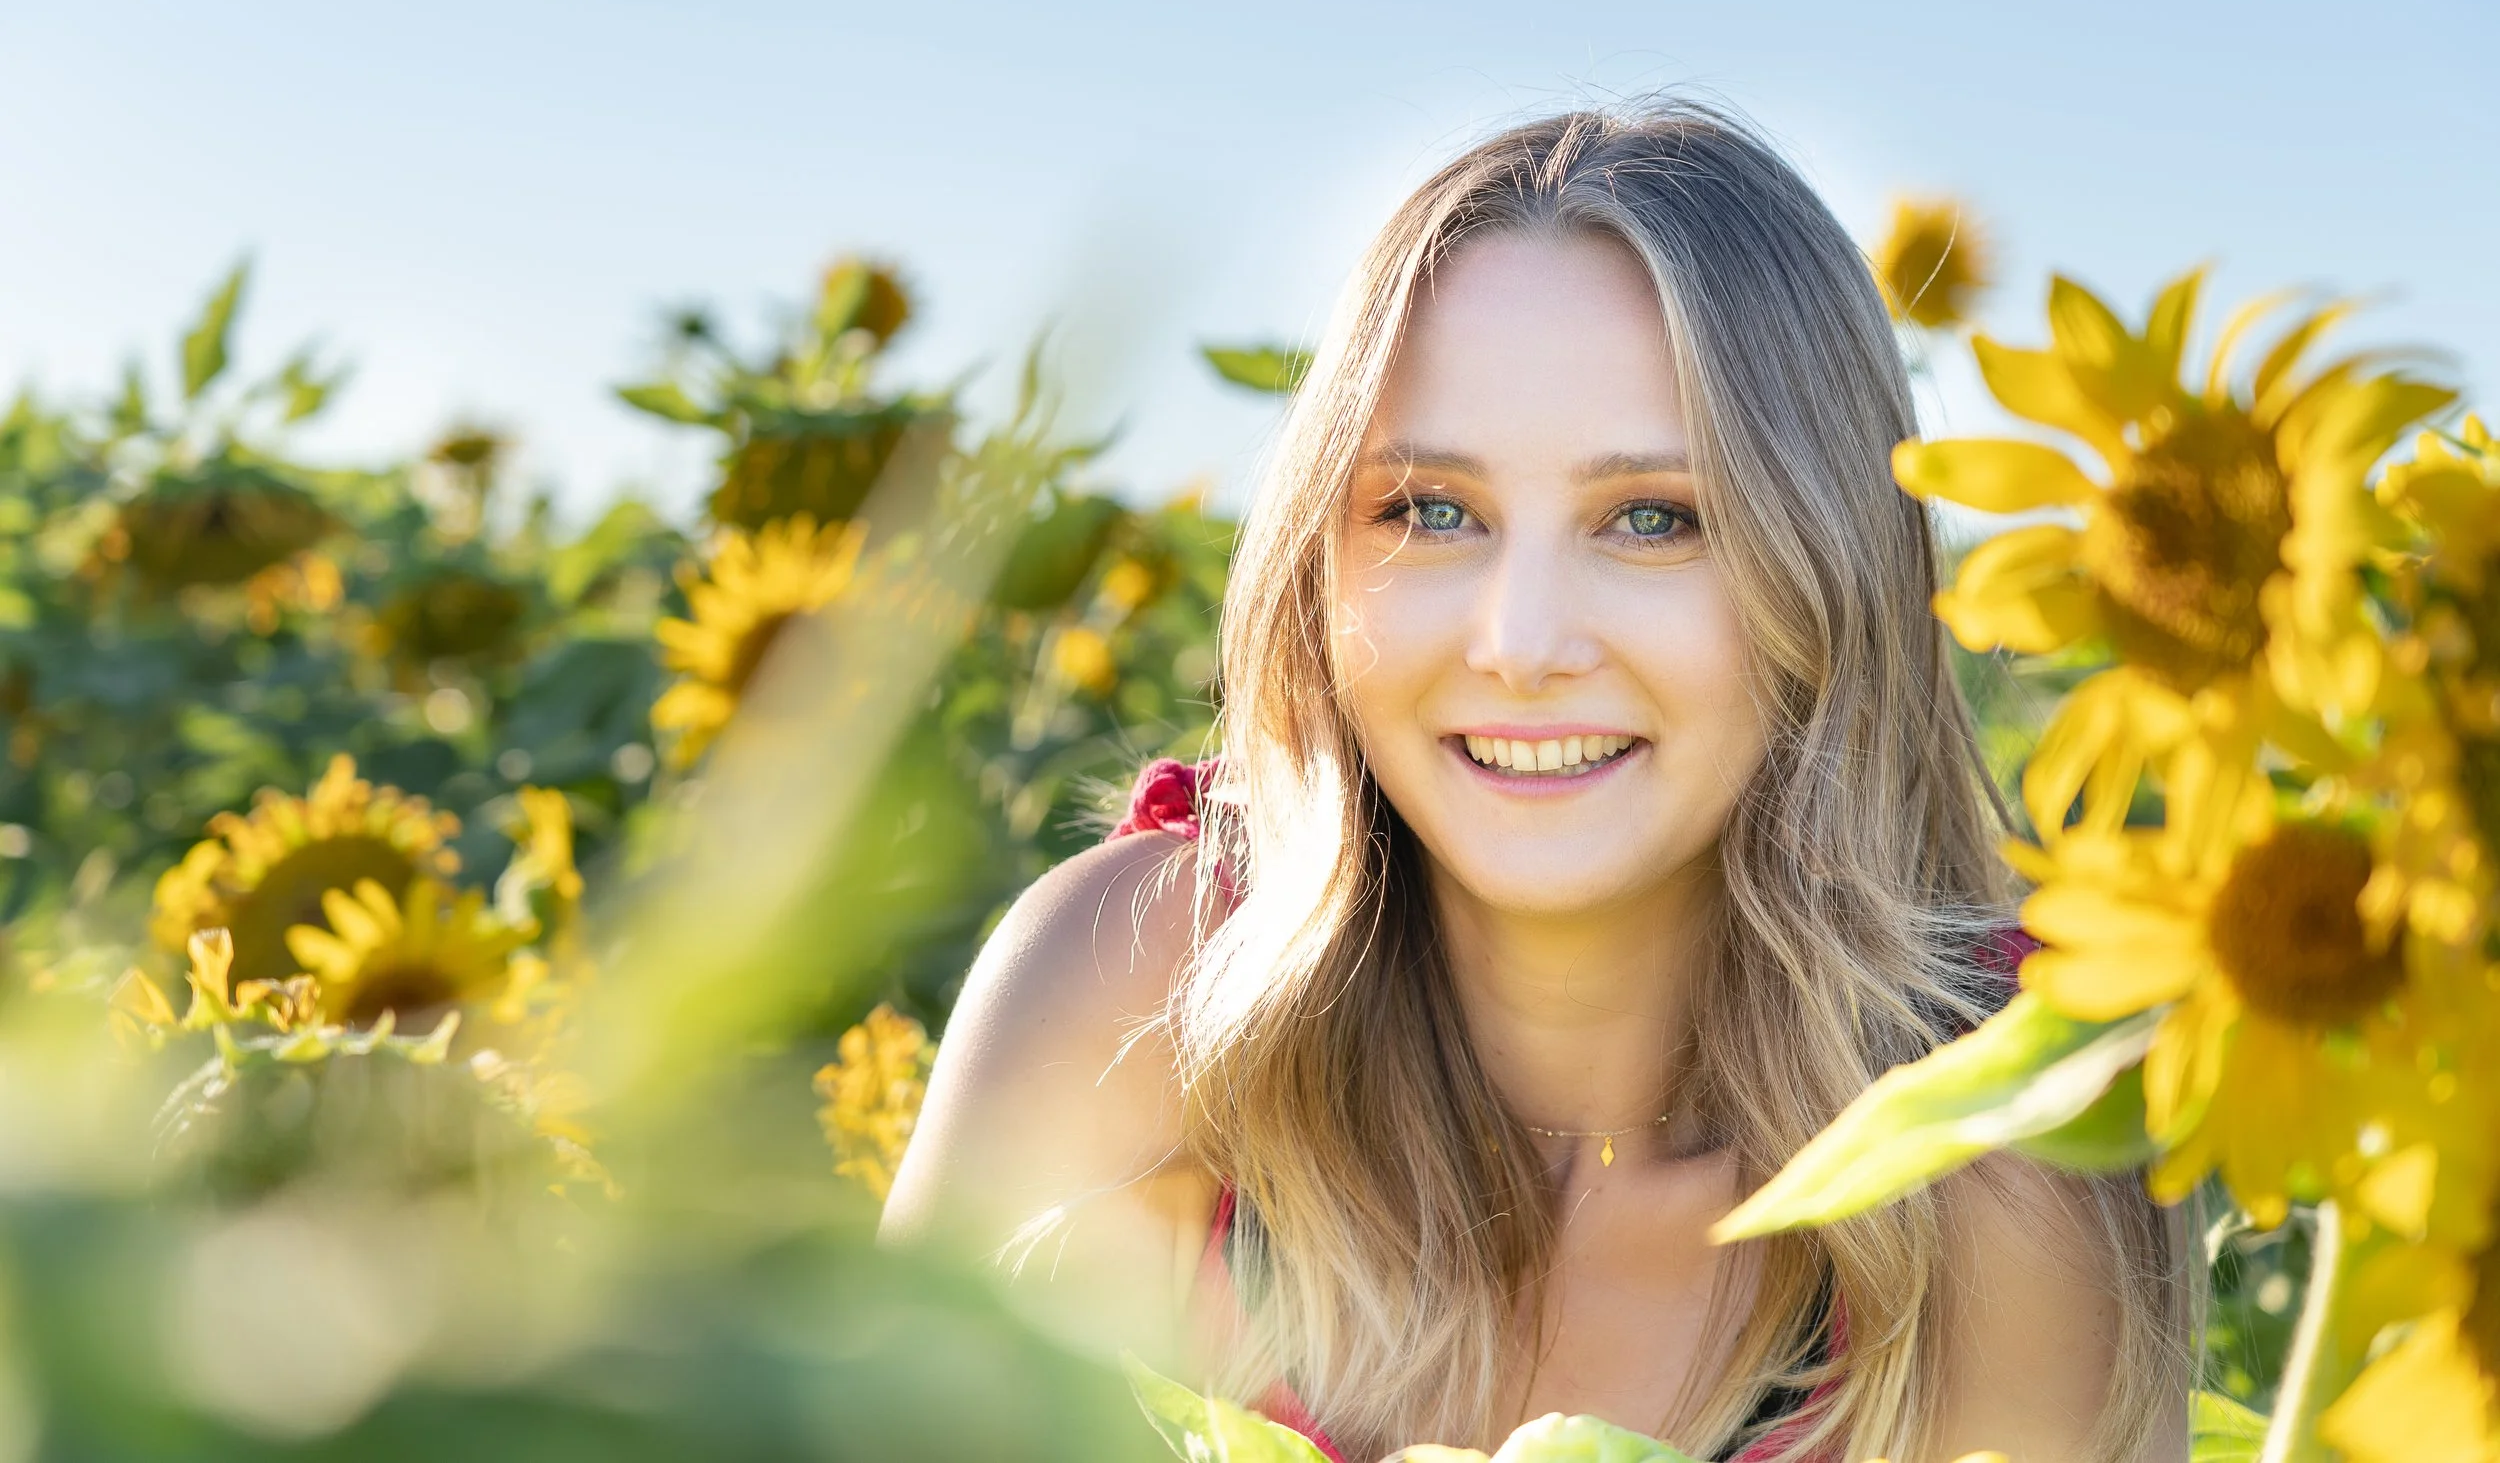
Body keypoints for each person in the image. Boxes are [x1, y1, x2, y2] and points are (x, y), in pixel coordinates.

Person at [882, 102, 2195, 1462]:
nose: (1519, 644)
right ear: (1318, 560)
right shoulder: (1131, 990)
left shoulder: (1996, 1171)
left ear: (1831, 575)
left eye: (1653, 519)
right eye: (1431, 510)